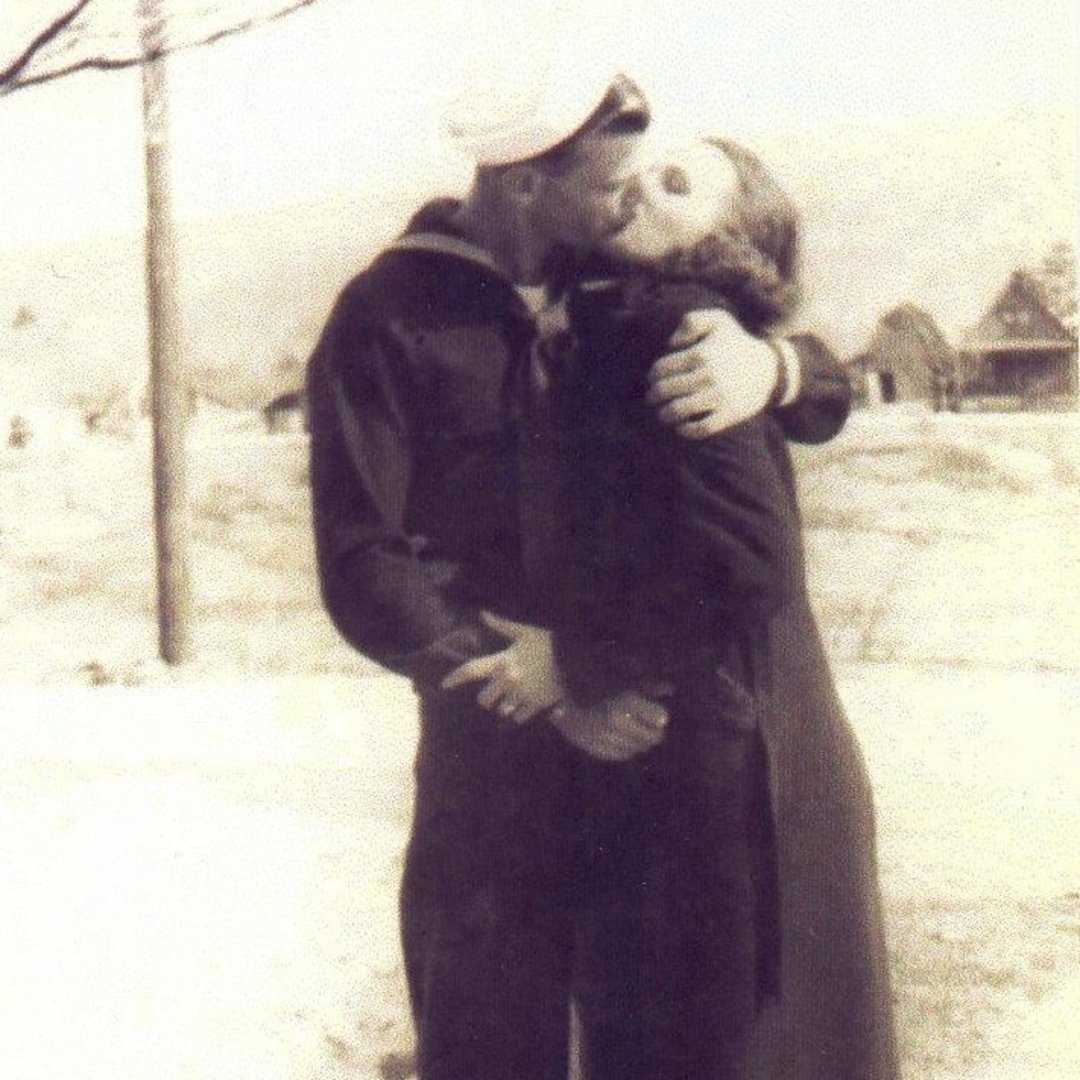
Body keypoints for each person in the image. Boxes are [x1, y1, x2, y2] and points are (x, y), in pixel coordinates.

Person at [306, 68, 863, 1080]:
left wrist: (778, 368)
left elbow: (781, 338)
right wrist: (545, 685)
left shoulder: (619, 292)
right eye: (609, 185)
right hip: (495, 757)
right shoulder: (387, 313)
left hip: (648, 760)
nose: (626, 200)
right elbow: (361, 558)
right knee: (488, 1044)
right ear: (528, 184)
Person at [475, 132, 898, 1078]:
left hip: (725, 765)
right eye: (646, 165)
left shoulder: (682, 330)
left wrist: (574, 660)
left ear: (723, 243)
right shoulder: (607, 321)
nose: (637, 186)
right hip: (687, 745)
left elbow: (747, 565)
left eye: (677, 186)